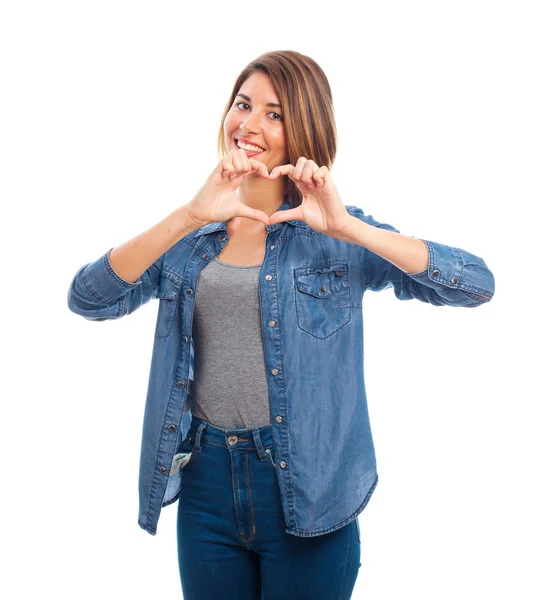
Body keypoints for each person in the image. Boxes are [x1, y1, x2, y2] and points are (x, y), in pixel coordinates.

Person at [67, 50, 495, 600]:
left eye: (275, 113)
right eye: (243, 105)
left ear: (304, 131)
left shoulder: (336, 236)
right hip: (206, 489)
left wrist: (347, 227)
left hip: (308, 490)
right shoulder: (191, 239)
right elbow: (89, 299)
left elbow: (475, 284)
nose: (250, 125)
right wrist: (190, 216)